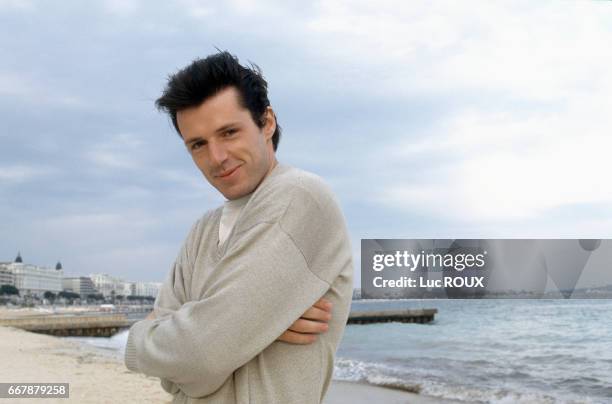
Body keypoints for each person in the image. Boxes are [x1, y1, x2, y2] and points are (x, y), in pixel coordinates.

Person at [124, 51, 353, 403]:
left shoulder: (301, 197)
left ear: (266, 123)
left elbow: (198, 355)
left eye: (229, 132)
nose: (216, 157)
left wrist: (145, 339)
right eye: (198, 144)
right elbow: (179, 369)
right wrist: (253, 326)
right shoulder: (202, 230)